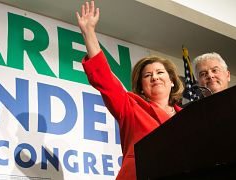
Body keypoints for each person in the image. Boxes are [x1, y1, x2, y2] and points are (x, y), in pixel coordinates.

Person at [76, 1, 184, 179]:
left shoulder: (189, 118)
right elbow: (104, 78)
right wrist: (89, 32)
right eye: (148, 76)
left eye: (159, 72)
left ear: (172, 81)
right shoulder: (131, 107)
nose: (155, 77)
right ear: (141, 86)